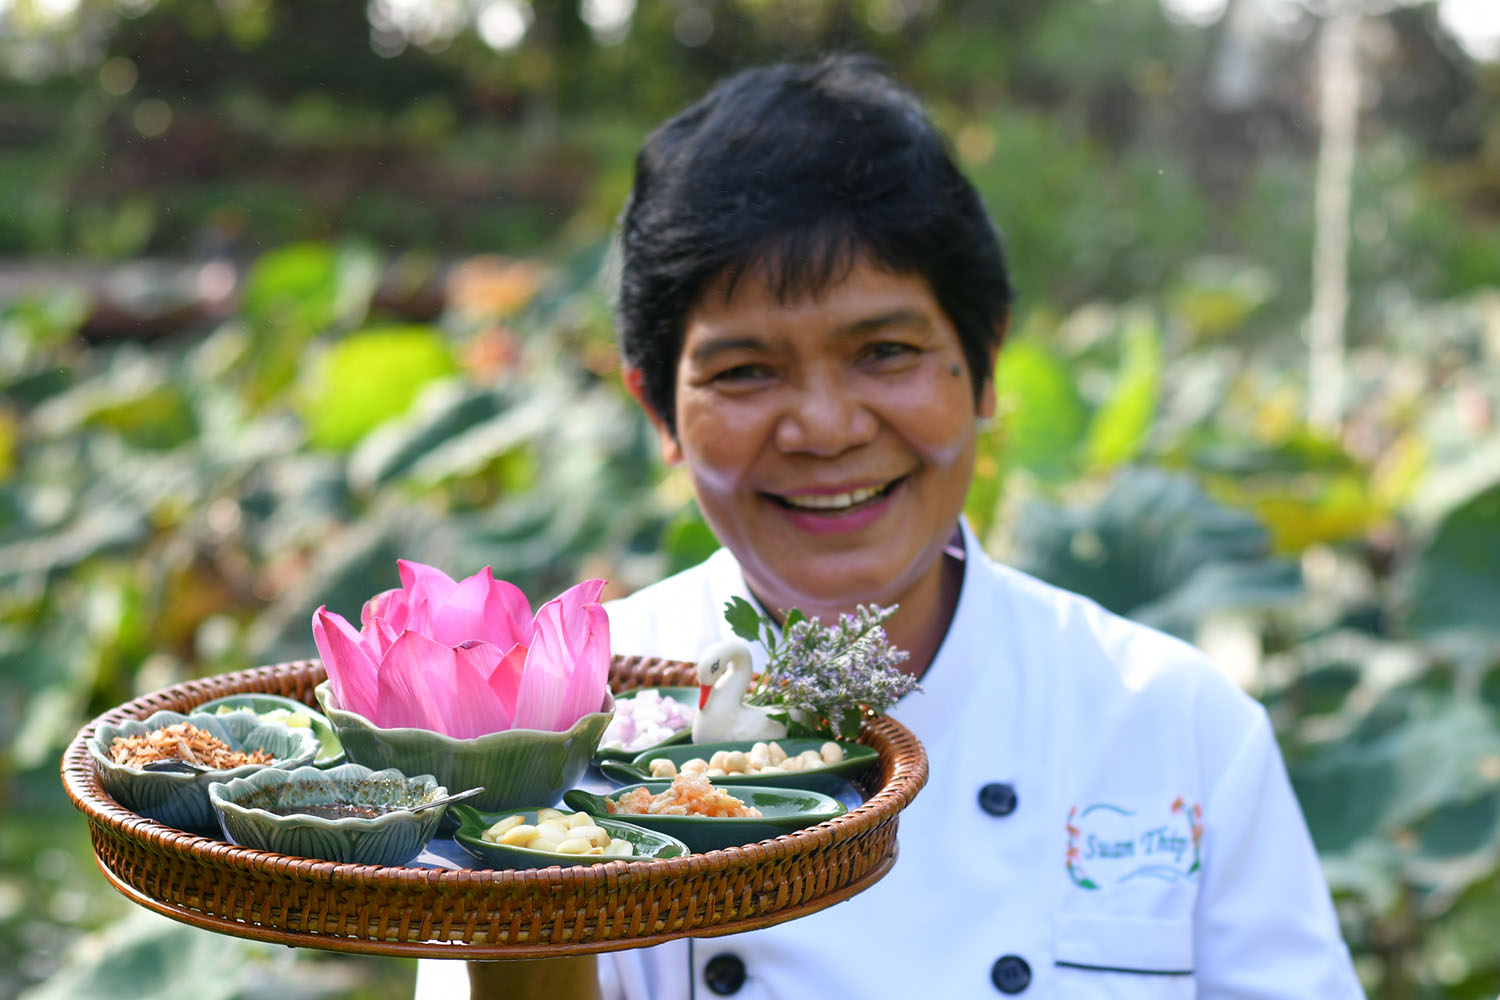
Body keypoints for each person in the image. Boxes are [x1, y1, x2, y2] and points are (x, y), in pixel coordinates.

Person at [418, 55, 1364, 999]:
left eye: (885, 352)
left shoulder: (1176, 724)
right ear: (659, 410)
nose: (826, 428)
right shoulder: (544, 722)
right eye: (746, 370)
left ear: (987, 366)